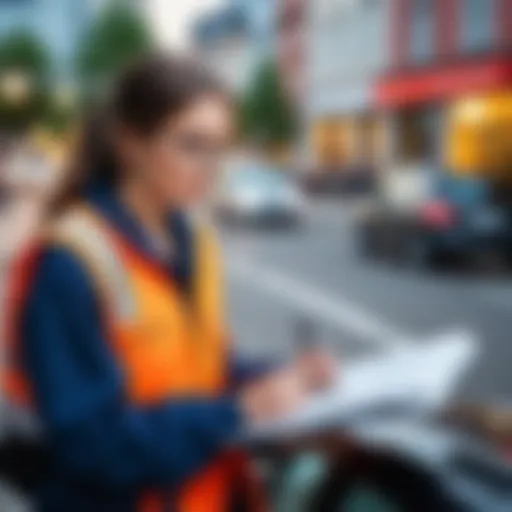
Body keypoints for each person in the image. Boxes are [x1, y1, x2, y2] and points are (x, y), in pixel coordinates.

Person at [3, 54, 335, 512]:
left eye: (220, 147)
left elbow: (203, 364)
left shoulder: (196, 239)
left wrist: (280, 377)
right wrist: (236, 413)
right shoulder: (69, 264)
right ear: (131, 144)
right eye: (191, 145)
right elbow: (92, 447)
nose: (211, 165)